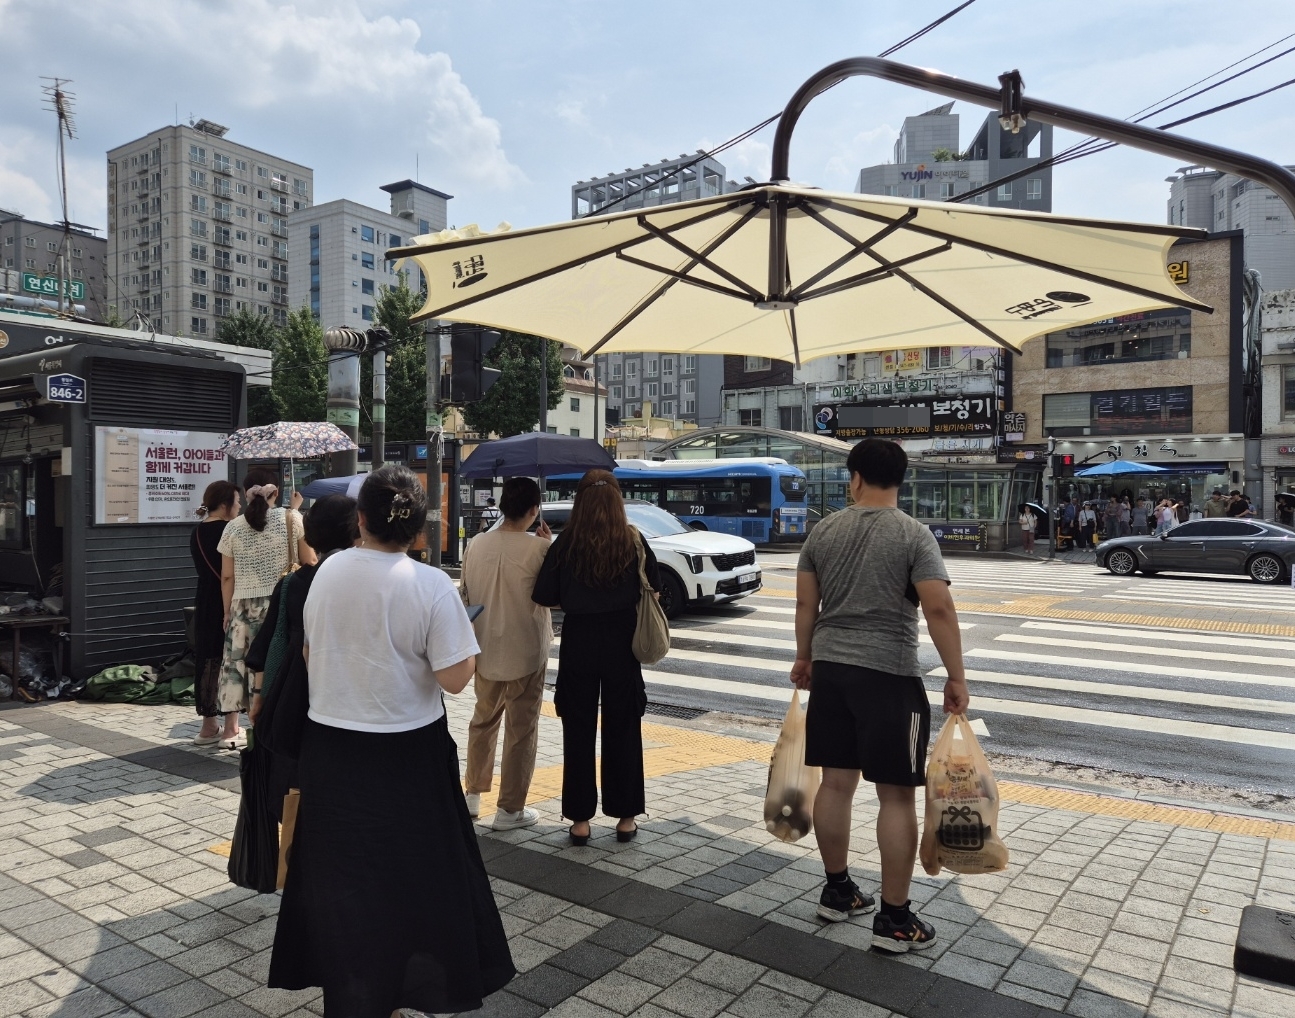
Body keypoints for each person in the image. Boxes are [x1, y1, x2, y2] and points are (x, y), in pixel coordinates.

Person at [269, 466, 513, 1017]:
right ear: (421, 530)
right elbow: (455, 677)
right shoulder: (428, 584)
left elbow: (310, 656)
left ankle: (354, 994)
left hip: (330, 748)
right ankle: (404, 989)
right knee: (413, 879)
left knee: (343, 880)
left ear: (361, 520)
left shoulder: (327, 573)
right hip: (408, 753)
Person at [791, 438, 969, 952]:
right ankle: (894, 919)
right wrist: (956, 677)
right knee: (895, 795)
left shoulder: (823, 530)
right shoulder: (914, 534)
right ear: (900, 480)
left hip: (831, 670)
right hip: (888, 676)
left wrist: (805, 657)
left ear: (855, 478)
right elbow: (938, 608)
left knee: (835, 784)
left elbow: (807, 603)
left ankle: (839, 890)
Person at [533, 469, 660, 845]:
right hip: (623, 640)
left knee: (578, 727)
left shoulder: (567, 542)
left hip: (580, 639)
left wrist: (577, 598)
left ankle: (580, 821)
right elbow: (651, 588)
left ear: (581, 501)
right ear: (617, 501)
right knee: (624, 726)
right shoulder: (633, 540)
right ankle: (625, 817)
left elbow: (544, 595)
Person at [244, 494, 359, 817]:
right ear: (356, 533)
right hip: (347, 694)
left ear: (309, 537)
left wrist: (259, 699)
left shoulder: (292, 583)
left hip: (294, 692)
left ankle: (293, 853)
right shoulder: (362, 581)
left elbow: (269, 644)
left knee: (295, 784)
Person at [460, 477, 554, 831]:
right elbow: (554, 596)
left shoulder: (476, 544)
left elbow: (465, 593)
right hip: (527, 650)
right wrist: (550, 547)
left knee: (483, 721)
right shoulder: (539, 549)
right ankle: (509, 810)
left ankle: (472, 795)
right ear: (533, 510)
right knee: (521, 728)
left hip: (484, 648)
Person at [215, 468, 314, 750]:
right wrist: (296, 511)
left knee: (238, 667)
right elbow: (309, 560)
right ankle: (271, 733)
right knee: (277, 665)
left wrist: (226, 611)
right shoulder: (292, 519)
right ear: (277, 491)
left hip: (242, 607)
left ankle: (230, 731)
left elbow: (227, 577)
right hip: (279, 604)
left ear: (246, 492)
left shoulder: (232, 527)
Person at [190, 481, 240, 746]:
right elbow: (229, 574)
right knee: (230, 659)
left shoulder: (197, 531)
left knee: (208, 659)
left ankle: (208, 726)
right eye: (237, 501)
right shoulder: (230, 530)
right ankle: (232, 727)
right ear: (225, 504)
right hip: (226, 600)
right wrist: (229, 609)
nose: (240, 506)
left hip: (204, 600)